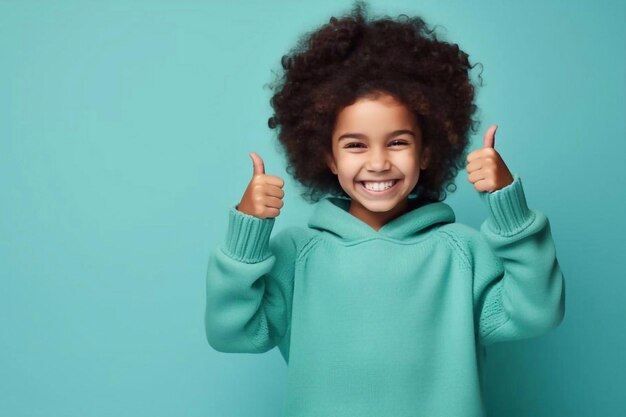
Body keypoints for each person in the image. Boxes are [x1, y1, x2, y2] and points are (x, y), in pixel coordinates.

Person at [204, 1, 565, 416]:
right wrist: (247, 232)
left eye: (398, 142)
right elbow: (232, 333)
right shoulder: (296, 256)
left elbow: (537, 312)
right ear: (328, 156)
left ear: (428, 150)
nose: (378, 162)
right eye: (356, 144)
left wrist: (508, 206)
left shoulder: (461, 253)